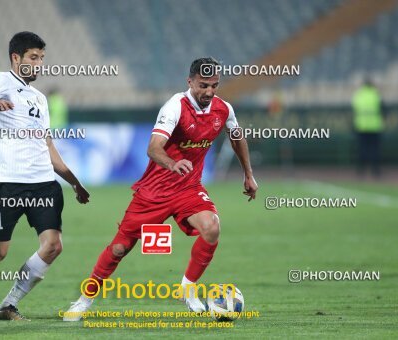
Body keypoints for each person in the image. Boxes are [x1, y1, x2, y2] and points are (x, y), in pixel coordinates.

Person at [63, 57, 258, 321]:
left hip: (188, 189)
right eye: (203, 85)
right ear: (189, 82)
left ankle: (188, 289)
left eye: (214, 85)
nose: (209, 92)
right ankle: (84, 299)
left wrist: (248, 174)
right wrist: (172, 162)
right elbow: (153, 148)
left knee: (211, 227)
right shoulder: (175, 107)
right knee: (119, 249)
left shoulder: (223, 109)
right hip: (153, 193)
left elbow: (237, 137)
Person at [0, 31, 90, 320]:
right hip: (7, 183)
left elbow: (46, 143)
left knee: (53, 245)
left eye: (42, 58)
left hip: (43, 183)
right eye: (33, 57)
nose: (39, 64)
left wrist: (74, 182)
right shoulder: (0, 81)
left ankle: (8, 304)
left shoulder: (40, 98)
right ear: (15, 58)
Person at [352, 79, 384, 178]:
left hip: (361, 126)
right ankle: (375, 171)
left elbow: (355, 109)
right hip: (375, 126)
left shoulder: (358, 95)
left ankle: (361, 171)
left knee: (362, 150)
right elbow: (382, 109)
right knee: (375, 150)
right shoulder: (376, 95)